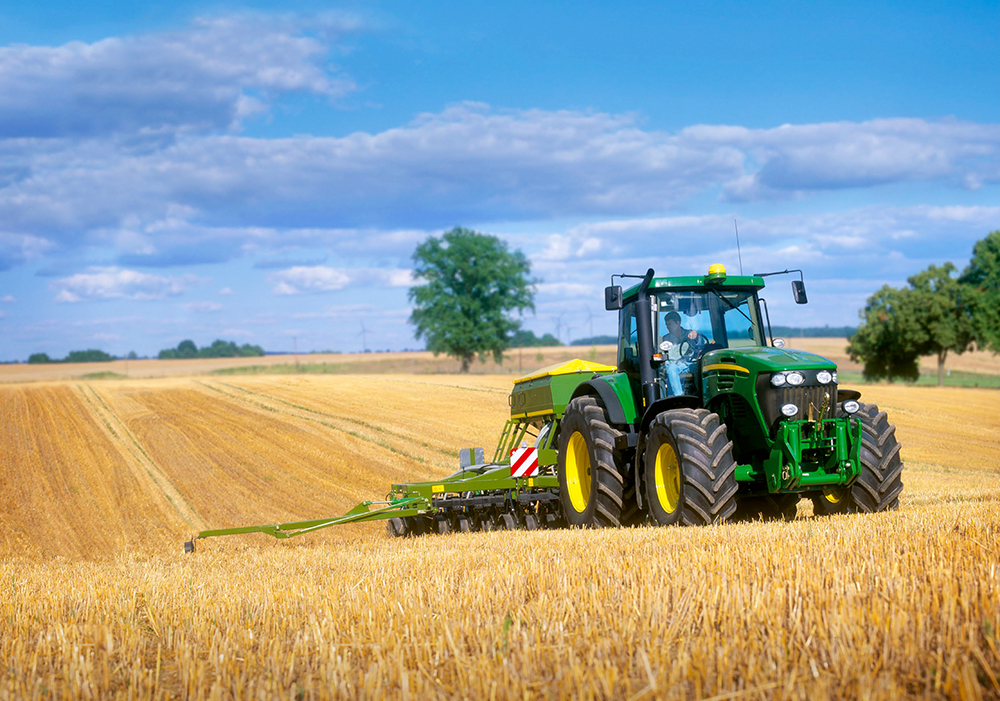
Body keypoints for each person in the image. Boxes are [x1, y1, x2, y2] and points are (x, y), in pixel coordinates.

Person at [661, 311, 707, 396]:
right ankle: (679, 396)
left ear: (678, 323)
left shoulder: (690, 334)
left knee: (703, 367)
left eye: (670, 324)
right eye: (666, 325)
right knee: (671, 369)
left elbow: (701, 343)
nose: (668, 327)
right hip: (675, 365)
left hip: (690, 364)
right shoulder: (665, 339)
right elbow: (663, 356)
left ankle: (703, 394)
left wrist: (696, 335)